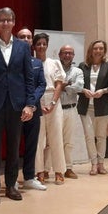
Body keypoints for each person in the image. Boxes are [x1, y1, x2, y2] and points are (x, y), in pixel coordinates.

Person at [0, 7, 35, 205]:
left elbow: (29, 78)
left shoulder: (23, 47)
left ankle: (11, 185)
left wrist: (30, 104)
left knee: (14, 147)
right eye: (1, 20)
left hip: (17, 104)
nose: (5, 23)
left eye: (9, 20)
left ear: (13, 23)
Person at [77, 40, 108, 175]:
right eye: (95, 48)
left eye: (101, 48)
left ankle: (101, 164)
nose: (98, 51)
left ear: (104, 51)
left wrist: (103, 91)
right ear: (91, 50)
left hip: (103, 107)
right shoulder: (83, 66)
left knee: (101, 136)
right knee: (89, 137)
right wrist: (84, 90)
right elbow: (76, 85)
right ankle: (93, 164)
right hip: (86, 107)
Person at [32, 33, 66, 185]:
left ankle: (59, 171)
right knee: (38, 140)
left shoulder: (55, 63)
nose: (41, 46)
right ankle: (39, 172)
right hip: (37, 102)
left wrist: (52, 103)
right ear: (34, 46)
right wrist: (37, 103)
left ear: (47, 45)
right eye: (38, 43)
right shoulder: (31, 63)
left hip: (53, 101)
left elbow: (59, 84)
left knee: (56, 137)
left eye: (44, 43)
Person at [16, 27, 47, 191]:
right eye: (22, 37)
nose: (26, 39)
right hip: (14, 109)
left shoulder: (37, 63)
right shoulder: (12, 61)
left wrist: (31, 103)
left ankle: (29, 177)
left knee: (32, 144)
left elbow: (41, 84)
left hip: (33, 110)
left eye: (28, 37)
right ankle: (12, 178)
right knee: (13, 146)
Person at [58, 45, 84, 179]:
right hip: (56, 110)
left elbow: (79, 87)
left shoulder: (78, 71)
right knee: (52, 142)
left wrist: (63, 87)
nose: (67, 55)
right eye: (64, 53)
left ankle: (68, 168)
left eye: (70, 53)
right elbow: (51, 86)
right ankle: (46, 170)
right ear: (59, 54)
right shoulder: (55, 69)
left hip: (71, 109)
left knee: (68, 141)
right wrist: (68, 85)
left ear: (73, 56)